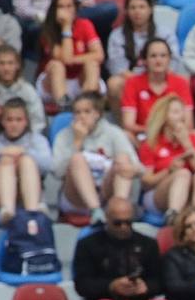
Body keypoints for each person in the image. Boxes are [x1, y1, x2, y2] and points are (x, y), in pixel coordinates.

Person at [74, 196, 175, 300]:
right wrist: (111, 286)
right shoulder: (88, 245)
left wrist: (146, 287)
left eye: (128, 222)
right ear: (107, 219)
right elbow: (81, 285)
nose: (123, 227)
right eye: (117, 223)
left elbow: (160, 281)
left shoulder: (148, 244)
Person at [54, 90, 139, 222]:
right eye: (77, 112)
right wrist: (77, 143)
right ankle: (96, 211)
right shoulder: (64, 136)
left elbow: (139, 168)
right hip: (76, 197)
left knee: (123, 159)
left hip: (106, 191)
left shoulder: (113, 133)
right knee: (77, 159)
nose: (81, 116)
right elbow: (58, 173)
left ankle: (117, 209)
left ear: (97, 114)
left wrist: (125, 168)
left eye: (87, 112)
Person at [0, 99, 52, 225]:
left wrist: (25, 152)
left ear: (26, 121)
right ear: (2, 122)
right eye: (9, 120)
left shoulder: (37, 140)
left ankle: (32, 212)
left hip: (28, 195)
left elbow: (47, 167)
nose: (14, 124)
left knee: (26, 160)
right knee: (7, 159)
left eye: (19, 120)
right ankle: (7, 211)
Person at [138, 94, 195, 217]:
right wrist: (169, 171)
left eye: (182, 111)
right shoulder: (151, 143)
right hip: (157, 194)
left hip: (189, 192)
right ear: (164, 116)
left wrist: (187, 144)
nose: (182, 116)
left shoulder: (192, 138)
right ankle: (173, 215)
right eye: (176, 112)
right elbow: (146, 182)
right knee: (183, 173)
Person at [105, 0, 175, 107]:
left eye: (142, 7)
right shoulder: (117, 35)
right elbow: (117, 68)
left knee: (183, 80)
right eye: (132, 8)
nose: (137, 12)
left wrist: (154, 79)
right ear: (126, 11)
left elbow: (173, 61)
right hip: (131, 78)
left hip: (160, 76)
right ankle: (125, 124)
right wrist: (142, 82)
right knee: (114, 83)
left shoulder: (165, 33)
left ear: (150, 9)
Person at [120, 38, 193, 142]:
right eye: (153, 56)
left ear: (169, 59)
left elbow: (188, 123)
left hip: (175, 136)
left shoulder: (181, 83)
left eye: (163, 56)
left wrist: (169, 132)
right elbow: (128, 124)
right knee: (125, 135)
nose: (158, 60)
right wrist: (154, 131)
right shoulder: (132, 83)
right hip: (144, 135)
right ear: (144, 60)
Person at [37, 0, 103, 105]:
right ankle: (64, 107)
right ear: (54, 10)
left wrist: (74, 59)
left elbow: (99, 55)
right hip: (54, 83)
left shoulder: (85, 24)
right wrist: (66, 27)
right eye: (61, 6)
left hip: (80, 79)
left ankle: (86, 105)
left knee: (92, 64)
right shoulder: (48, 30)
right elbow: (65, 60)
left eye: (69, 6)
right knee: (56, 65)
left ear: (75, 9)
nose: (65, 10)